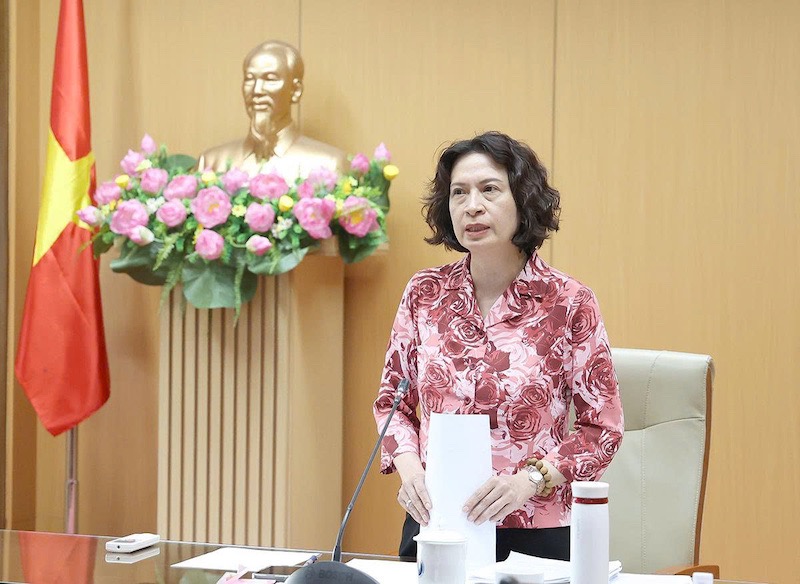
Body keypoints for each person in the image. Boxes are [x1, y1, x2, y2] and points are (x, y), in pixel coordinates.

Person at [373, 131, 624, 562]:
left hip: (535, 530)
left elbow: (601, 428)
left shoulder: (568, 302)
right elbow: (391, 404)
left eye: (490, 189)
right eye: (459, 193)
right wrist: (411, 473)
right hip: (437, 523)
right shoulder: (424, 293)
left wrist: (531, 479)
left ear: (523, 201)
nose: (472, 205)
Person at [197, 40, 346, 179]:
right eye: (249, 79)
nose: (257, 90)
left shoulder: (329, 165)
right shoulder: (211, 163)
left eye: (270, 79)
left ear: (295, 91)